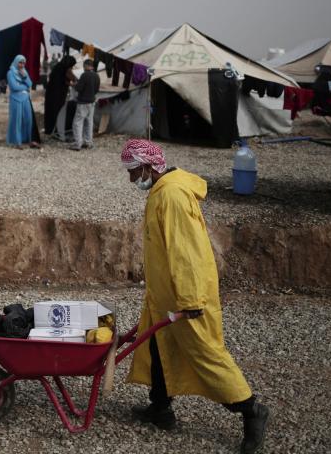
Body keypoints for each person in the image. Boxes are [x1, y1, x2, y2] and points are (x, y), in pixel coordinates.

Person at [121, 138, 269, 454]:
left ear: (148, 166)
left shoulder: (171, 195)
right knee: (158, 349)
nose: (132, 179)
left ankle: (251, 409)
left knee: (205, 354)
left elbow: (184, 251)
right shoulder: (163, 190)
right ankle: (160, 409)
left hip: (185, 295)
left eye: (134, 172)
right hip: (166, 293)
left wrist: (189, 300)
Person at [6, 55, 38, 148]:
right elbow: (14, 87)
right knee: (17, 120)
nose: (22, 65)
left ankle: (27, 140)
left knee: (28, 120)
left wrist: (24, 77)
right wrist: (25, 87)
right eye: (20, 62)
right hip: (16, 99)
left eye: (23, 63)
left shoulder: (24, 72)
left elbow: (30, 83)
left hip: (25, 98)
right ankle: (17, 142)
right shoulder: (10, 73)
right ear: (16, 62)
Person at [69, 58, 100, 150]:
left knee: (77, 123)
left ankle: (78, 144)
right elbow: (97, 90)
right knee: (89, 122)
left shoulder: (84, 75)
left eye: (84, 66)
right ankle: (88, 142)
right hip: (92, 102)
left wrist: (73, 84)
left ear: (86, 66)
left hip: (83, 102)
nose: (83, 67)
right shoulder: (96, 75)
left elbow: (79, 88)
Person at [43, 54, 76, 139]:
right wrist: (73, 84)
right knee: (57, 111)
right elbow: (71, 79)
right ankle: (56, 130)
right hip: (57, 95)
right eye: (71, 66)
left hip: (52, 94)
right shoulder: (63, 68)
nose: (72, 67)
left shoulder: (59, 67)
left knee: (51, 111)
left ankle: (50, 129)